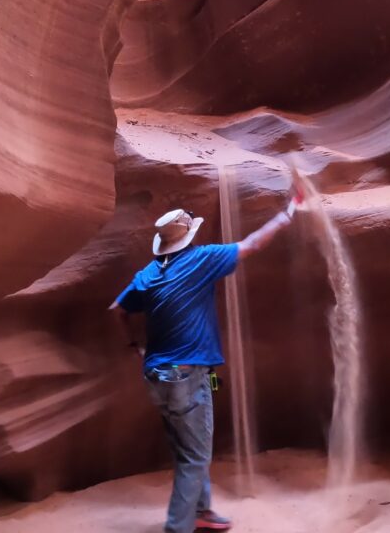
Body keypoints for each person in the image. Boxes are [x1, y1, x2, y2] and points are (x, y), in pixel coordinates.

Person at [110, 190, 302, 533]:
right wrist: (288, 213)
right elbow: (253, 244)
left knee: (187, 450)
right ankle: (178, 526)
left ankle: (202, 511)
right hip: (187, 374)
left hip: (158, 375)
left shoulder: (148, 274)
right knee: (196, 457)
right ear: (189, 236)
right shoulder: (202, 259)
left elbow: (118, 310)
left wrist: (133, 345)